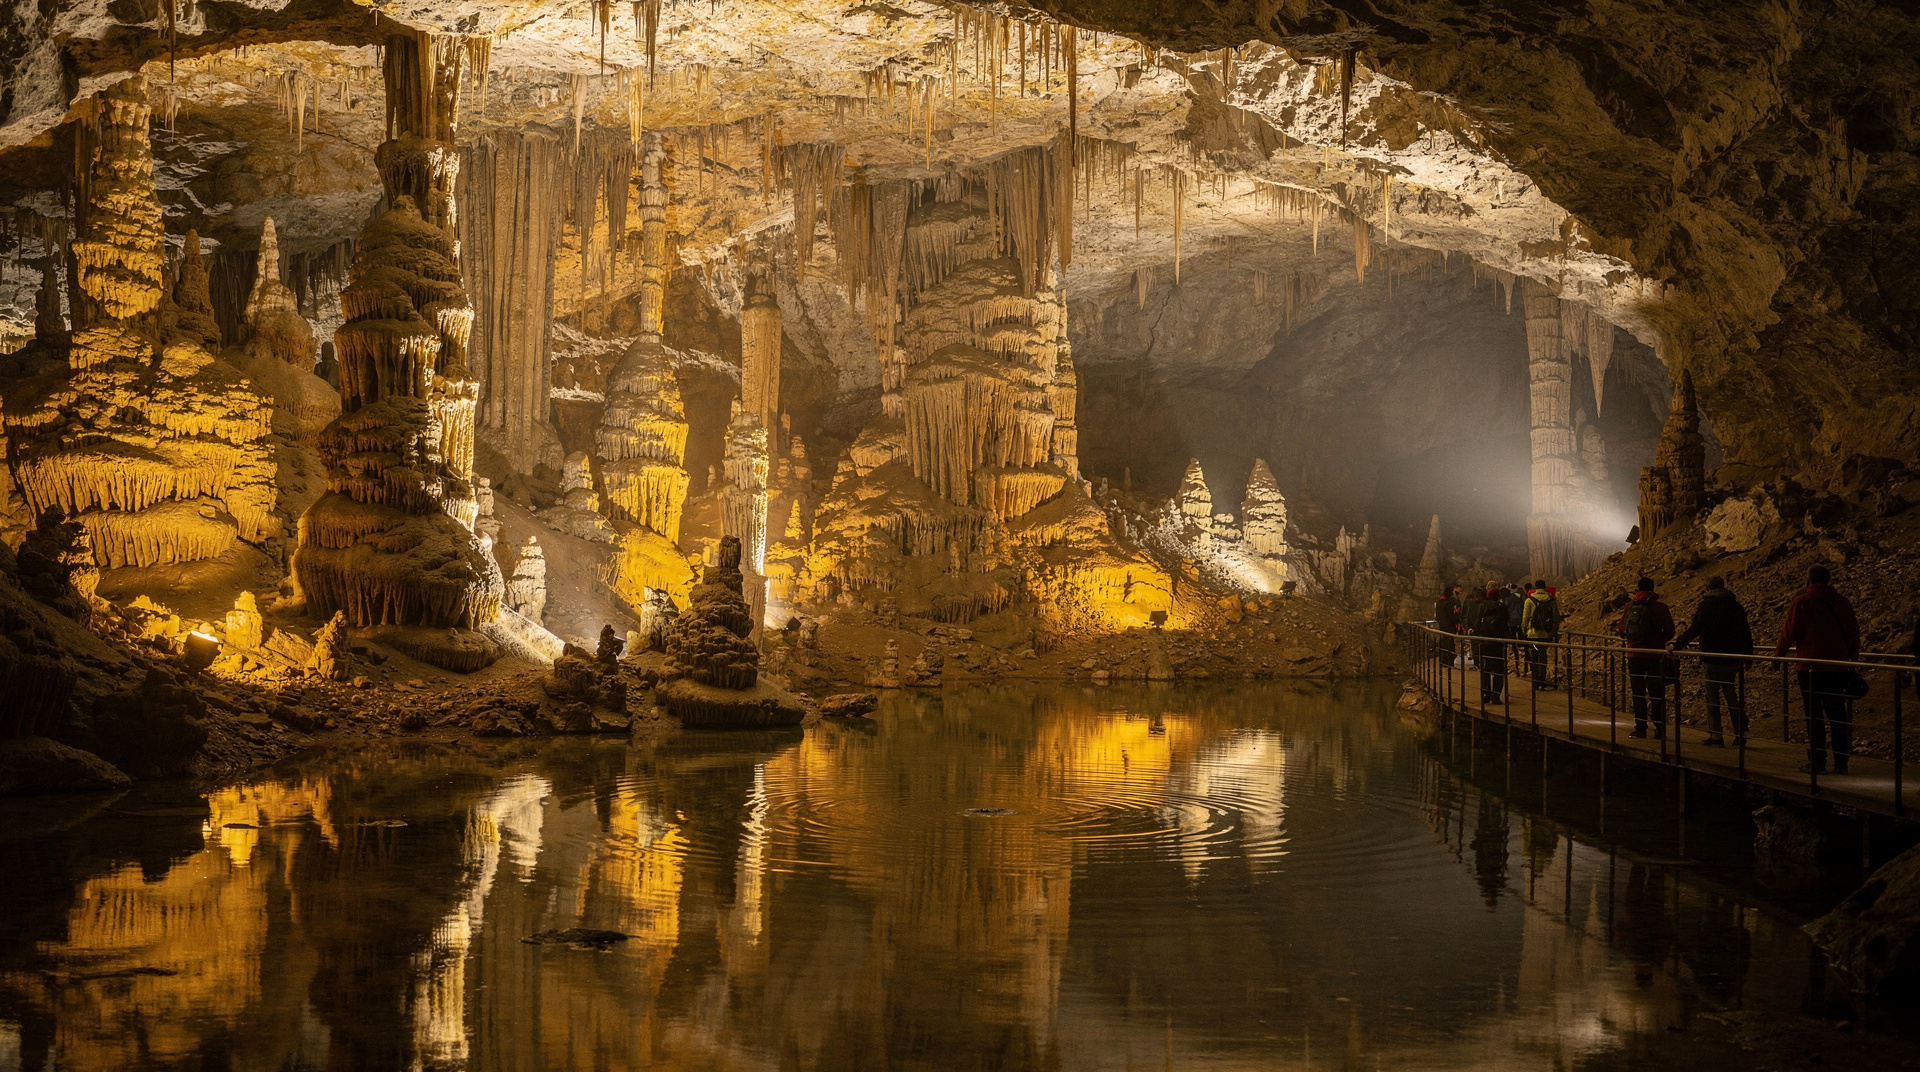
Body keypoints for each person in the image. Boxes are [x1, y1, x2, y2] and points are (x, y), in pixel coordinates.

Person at [1774, 565, 1861, 774]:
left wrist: (1778, 656)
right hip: (1837, 667)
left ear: (1808, 580)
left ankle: (1818, 762)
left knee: (1814, 716)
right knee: (1838, 715)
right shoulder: (1841, 602)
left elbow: (1789, 631)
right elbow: (1853, 633)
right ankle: (1841, 763)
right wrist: (1851, 661)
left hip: (1810, 668)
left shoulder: (1802, 601)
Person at [1669, 577, 1753, 746]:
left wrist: (1677, 644)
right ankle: (1741, 732)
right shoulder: (1735, 606)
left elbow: (1694, 629)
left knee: (1712, 697)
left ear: (1708, 589)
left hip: (1711, 658)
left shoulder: (1706, 606)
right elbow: (1745, 631)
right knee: (1731, 694)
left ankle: (1716, 736)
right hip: (1732, 658)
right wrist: (1748, 655)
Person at [1616, 577, 1675, 739]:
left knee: (1638, 692)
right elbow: (1671, 632)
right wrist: (1659, 641)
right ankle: (1660, 728)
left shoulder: (1629, 607)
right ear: (1653, 589)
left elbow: (1622, 630)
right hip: (1655, 655)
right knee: (1656, 692)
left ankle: (1640, 728)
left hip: (1634, 655)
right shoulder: (1660, 607)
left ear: (1638, 589)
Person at [1474, 584, 1511, 704]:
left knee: (1485, 669)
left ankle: (1485, 694)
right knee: (1499, 670)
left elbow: (1477, 623)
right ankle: (1496, 697)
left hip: (1485, 641)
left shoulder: (1482, 606)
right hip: (1498, 642)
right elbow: (1506, 623)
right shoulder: (1502, 607)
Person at [1522, 580, 1560, 688]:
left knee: (1534, 656)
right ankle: (1541, 679)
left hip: (1533, 634)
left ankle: (1535, 681)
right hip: (1545, 634)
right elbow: (1556, 617)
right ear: (1545, 587)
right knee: (1543, 655)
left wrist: (1525, 631)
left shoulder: (1530, 600)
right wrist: (1553, 631)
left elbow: (1525, 618)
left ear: (1535, 587)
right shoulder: (1551, 599)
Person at [1433, 586, 1461, 666]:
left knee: (1443, 643)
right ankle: (1449, 662)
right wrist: (1457, 616)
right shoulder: (1448, 603)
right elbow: (1451, 616)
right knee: (1450, 644)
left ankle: (1442, 661)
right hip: (1449, 626)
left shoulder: (1438, 603)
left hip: (1441, 626)